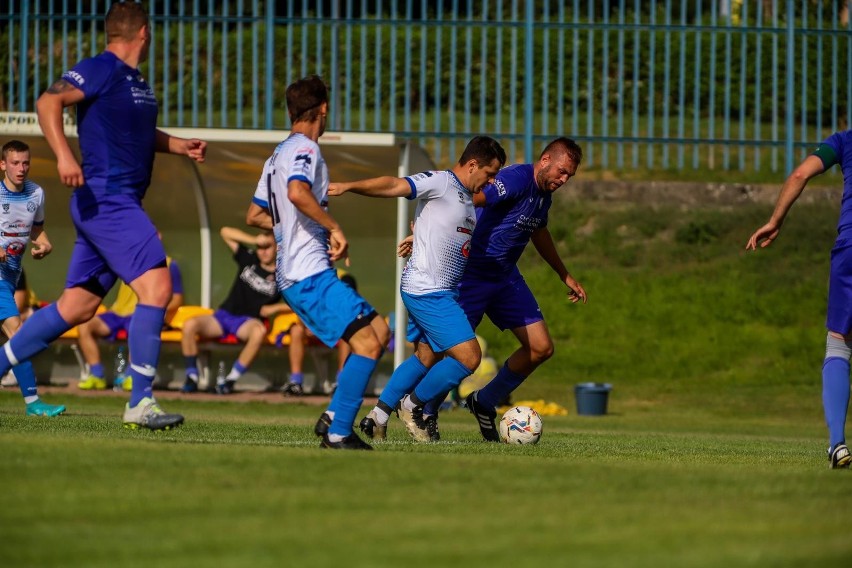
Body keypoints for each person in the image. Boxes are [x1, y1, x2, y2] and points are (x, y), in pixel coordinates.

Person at [0, 2, 207, 430]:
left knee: (78, 307)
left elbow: (136, 134)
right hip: (109, 201)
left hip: (113, 204)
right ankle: (141, 401)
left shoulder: (135, 81)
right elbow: (48, 102)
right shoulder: (101, 68)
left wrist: (179, 144)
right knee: (158, 285)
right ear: (144, 33)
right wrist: (63, 157)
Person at [361, 137, 586, 442]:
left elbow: (538, 230)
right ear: (545, 160)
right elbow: (468, 200)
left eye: (569, 176)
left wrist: (564, 274)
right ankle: (420, 410)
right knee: (440, 353)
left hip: (505, 278)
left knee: (541, 348)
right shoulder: (515, 179)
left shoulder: (543, 196)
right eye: (561, 171)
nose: (563, 180)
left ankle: (483, 401)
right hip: (470, 275)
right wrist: (428, 234)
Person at [330, 135, 506, 443]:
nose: (490, 182)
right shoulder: (441, 182)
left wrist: (419, 237)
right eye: (489, 174)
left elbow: (448, 233)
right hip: (428, 290)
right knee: (469, 356)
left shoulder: (467, 199)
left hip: (440, 290)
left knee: (426, 357)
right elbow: (394, 185)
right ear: (473, 164)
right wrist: (349, 186)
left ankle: (379, 415)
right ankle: (412, 405)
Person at [246, 74, 389, 450]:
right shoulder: (307, 150)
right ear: (323, 110)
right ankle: (339, 432)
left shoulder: (276, 156)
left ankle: (332, 415)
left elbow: (255, 215)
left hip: (302, 271)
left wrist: (299, 228)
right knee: (369, 346)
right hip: (306, 274)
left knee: (380, 331)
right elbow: (297, 192)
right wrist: (333, 226)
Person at [746, 130, 852, 469]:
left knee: (839, 343)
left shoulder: (844, 141)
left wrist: (775, 220)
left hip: (850, 251)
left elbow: (800, 174)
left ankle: (837, 443)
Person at [180, 226, 291, 395]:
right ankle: (192, 377)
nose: (263, 251)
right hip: (224, 316)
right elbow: (224, 231)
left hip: (247, 322)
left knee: (259, 331)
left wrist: (275, 307)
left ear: (277, 247)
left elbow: (300, 300)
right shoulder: (249, 258)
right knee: (189, 325)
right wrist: (255, 240)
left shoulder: (284, 274)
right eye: (260, 247)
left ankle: (230, 380)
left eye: (267, 247)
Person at [0, 140, 64, 416]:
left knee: (14, 338)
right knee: (18, 334)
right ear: (3, 164)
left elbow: (36, 229)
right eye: (15, 163)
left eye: (25, 163)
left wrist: (45, 243)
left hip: (11, 275)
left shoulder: (36, 193)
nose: (21, 168)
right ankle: (33, 403)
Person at [76, 245, 184, 391]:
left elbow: (177, 299)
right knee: (84, 325)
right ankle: (97, 375)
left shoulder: (169, 264)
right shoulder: (126, 260)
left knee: (139, 326)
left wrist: (156, 311)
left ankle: (131, 376)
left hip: (141, 313)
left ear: (158, 237)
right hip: (118, 313)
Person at [281, 269, 356, 396]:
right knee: (296, 330)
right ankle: (296, 382)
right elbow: (299, 305)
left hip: (335, 328)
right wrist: (307, 325)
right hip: (311, 327)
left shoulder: (344, 278)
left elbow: (347, 309)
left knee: (347, 330)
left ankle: (341, 382)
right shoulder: (305, 276)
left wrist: (325, 327)